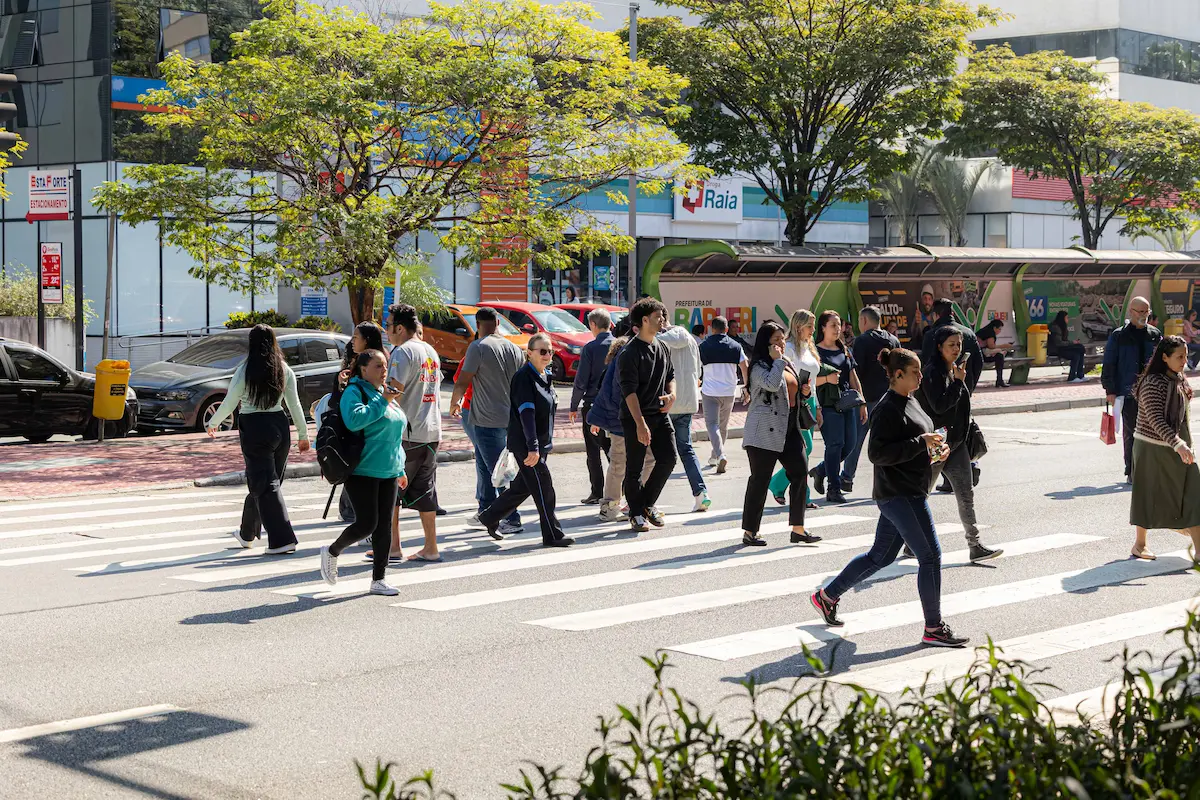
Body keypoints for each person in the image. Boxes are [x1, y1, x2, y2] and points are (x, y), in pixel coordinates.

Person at [810, 347, 969, 649]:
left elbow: (917, 441)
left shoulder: (910, 400)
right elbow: (877, 454)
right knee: (931, 556)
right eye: (915, 372)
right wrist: (919, 443)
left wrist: (935, 449)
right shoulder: (886, 408)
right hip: (900, 493)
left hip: (906, 490)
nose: (921, 377)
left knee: (880, 557)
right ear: (897, 375)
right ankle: (933, 627)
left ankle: (827, 596)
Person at [206, 324, 309, 554]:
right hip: (279, 426)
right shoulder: (283, 368)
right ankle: (247, 533)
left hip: (254, 427)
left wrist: (214, 422)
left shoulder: (245, 369)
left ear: (251, 344)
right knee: (266, 483)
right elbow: (294, 404)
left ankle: (283, 540)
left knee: (265, 483)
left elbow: (231, 400)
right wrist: (303, 434)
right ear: (274, 342)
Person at [318, 349, 409, 595]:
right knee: (368, 523)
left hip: (388, 470)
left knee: (384, 528)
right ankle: (332, 550)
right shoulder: (354, 392)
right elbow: (354, 420)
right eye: (378, 366)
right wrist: (384, 401)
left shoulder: (383, 393)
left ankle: (378, 579)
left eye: (386, 366)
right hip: (362, 469)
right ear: (363, 369)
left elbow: (396, 434)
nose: (384, 371)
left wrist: (400, 467)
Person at [478, 333, 574, 547]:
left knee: (523, 488)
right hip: (527, 445)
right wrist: (533, 447)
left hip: (539, 445)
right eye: (542, 351)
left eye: (550, 351)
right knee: (544, 489)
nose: (547, 354)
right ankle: (552, 535)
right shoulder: (524, 377)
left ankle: (489, 517)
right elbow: (526, 414)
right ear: (529, 353)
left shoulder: (545, 376)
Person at [917, 326, 1002, 562]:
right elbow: (939, 406)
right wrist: (957, 382)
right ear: (939, 347)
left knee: (966, 494)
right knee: (920, 495)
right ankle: (907, 540)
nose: (957, 349)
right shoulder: (932, 372)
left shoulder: (956, 370)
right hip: (936, 442)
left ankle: (975, 545)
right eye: (951, 345)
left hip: (957, 443)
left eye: (959, 345)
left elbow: (962, 406)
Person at [741, 320, 820, 547]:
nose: (780, 344)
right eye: (775, 340)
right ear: (765, 344)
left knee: (800, 472)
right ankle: (750, 531)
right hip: (763, 431)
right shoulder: (759, 368)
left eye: (782, 340)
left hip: (789, 428)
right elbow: (773, 385)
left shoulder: (784, 363)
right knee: (760, 479)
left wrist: (804, 392)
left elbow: (792, 393)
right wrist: (777, 362)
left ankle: (798, 528)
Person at [450, 307, 526, 534]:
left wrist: (454, 402)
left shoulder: (478, 347)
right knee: (486, 464)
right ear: (498, 323)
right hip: (509, 417)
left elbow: (463, 379)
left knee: (498, 471)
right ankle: (486, 509)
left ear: (478, 323)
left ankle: (511, 518)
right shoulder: (514, 348)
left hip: (486, 418)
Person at [1128, 335, 1200, 561]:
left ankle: (1199, 550)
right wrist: (1179, 444)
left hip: (1178, 446)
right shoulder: (1152, 383)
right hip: (1151, 447)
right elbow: (1156, 420)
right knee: (1146, 493)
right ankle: (1140, 544)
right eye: (1179, 356)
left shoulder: (1178, 379)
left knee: (1193, 490)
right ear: (1165, 357)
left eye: (1186, 356)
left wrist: (1184, 444)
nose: (1184, 361)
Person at [387, 304, 443, 562]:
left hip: (406, 433)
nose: (387, 332)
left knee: (390, 492)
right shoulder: (429, 350)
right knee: (426, 491)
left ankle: (393, 546)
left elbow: (393, 391)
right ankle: (430, 547)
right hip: (431, 431)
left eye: (388, 326)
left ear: (400, 327)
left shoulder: (402, 352)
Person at [619, 297, 678, 532]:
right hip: (635, 417)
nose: (662, 319)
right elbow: (628, 392)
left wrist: (672, 395)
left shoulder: (662, 346)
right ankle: (635, 513)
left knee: (669, 458)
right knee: (634, 467)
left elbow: (671, 375)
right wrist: (640, 424)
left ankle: (646, 504)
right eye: (657, 316)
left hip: (659, 413)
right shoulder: (629, 353)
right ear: (644, 320)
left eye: (662, 316)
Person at [588, 335, 655, 523]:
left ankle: (611, 505)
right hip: (626, 420)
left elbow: (604, 396)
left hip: (622, 422)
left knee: (619, 463)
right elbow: (614, 395)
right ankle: (622, 503)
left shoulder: (616, 362)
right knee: (645, 459)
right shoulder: (626, 360)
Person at [809, 311, 869, 504]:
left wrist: (862, 403)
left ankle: (820, 470)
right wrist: (826, 380)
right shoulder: (815, 352)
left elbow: (853, 378)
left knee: (850, 445)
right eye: (833, 325)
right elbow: (808, 381)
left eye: (839, 325)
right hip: (827, 404)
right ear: (823, 328)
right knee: (834, 445)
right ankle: (833, 489)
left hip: (848, 403)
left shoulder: (843, 349)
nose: (838, 329)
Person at [1101, 296, 1161, 482]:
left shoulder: (1155, 334)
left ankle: (1151, 469)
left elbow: (1163, 361)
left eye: (1146, 311)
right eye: (1139, 312)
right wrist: (1110, 389)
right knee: (1132, 432)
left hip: (1152, 391)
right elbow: (1109, 363)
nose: (1143, 315)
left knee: (1154, 431)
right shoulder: (1119, 336)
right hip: (1128, 391)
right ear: (1130, 312)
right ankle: (1132, 470)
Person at [768, 310, 823, 510]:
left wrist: (818, 407)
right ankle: (784, 486)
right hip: (796, 402)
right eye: (810, 326)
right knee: (804, 448)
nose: (813, 330)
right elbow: (784, 378)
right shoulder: (789, 349)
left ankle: (784, 487)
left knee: (806, 450)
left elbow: (813, 380)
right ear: (799, 326)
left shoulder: (809, 347)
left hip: (811, 400)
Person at [333, 321, 386, 522]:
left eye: (356, 337)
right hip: (359, 425)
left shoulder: (372, 363)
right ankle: (351, 510)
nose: (352, 341)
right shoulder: (356, 361)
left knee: (359, 466)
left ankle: (353, 512)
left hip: (368, 429)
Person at [659, 319, 711, 512]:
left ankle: (643, 498)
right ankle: (701, 493)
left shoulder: (659, 340)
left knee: (656, 454)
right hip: (688, 401)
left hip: (669, 401)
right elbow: (698, 371)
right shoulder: (690, 339)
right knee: (686, 449)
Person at [569, 308, 615, 505]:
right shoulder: (621, 345)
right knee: (615, 450)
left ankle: (597, 491)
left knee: (593, 451)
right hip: (616, 406)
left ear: (593, 325)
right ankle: (620, 487)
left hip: (593, 405)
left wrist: (573, 405)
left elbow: (581, 380)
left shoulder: (590, 348)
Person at [699, 316, 749, 475]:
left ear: (711, 329)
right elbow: (744, 365)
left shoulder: (704, 346)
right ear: (726, 329)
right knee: (723, 426)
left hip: (710, 392)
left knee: (712, 424)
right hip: (729, 392)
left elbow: (696, 367)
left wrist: (697, 379)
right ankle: (715, 457)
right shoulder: (735, 345)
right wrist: (746, 385)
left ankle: (720, 455)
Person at [921, 299, 983, 391]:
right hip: (964, 385)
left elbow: (926, 362)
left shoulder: (931, 335)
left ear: (935, 315)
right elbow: (978, 362)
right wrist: (970, 385)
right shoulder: (969, 333)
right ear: (952, 314)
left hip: (939, 388)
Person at [1048, 310, 1087, 383]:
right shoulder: (1055, 328)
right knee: (1077, 353)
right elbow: (1059, 343)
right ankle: (1072, 377)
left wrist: (1072, 343)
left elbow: (1064, 341)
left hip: (1062, 348)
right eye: (1066, 318)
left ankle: (1080, 375)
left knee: (1079, 351)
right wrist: (1072, 343)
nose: (1067, 320)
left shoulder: (1062, 327)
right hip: (1056, 350)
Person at [975, 319, 1013, 388]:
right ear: (994, 328)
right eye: (999, 329)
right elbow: (991, 346)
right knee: (1000, 356)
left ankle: (999, 380)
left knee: (999, 356)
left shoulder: (985, 330)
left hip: (978, 354)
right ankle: (999, 380)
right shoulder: (990, 333)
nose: (1000, 331)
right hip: (980, 355)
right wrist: (1004, 345)